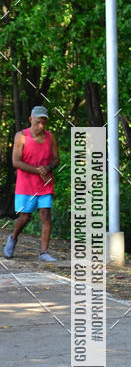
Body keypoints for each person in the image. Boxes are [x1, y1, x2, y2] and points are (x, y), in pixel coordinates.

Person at [3, 106, 59, 263]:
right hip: (25, 184)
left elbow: (56, 159)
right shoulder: (21, 136)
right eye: (37, 122)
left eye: (44, 123)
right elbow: (16, 162)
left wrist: (49, 167)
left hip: (45, 183)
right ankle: (13, 238)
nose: (41, 126)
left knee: (45, 215)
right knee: (25, 217)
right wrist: (37, 170)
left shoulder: (50, 137)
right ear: (30, 119)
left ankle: (44, 252)